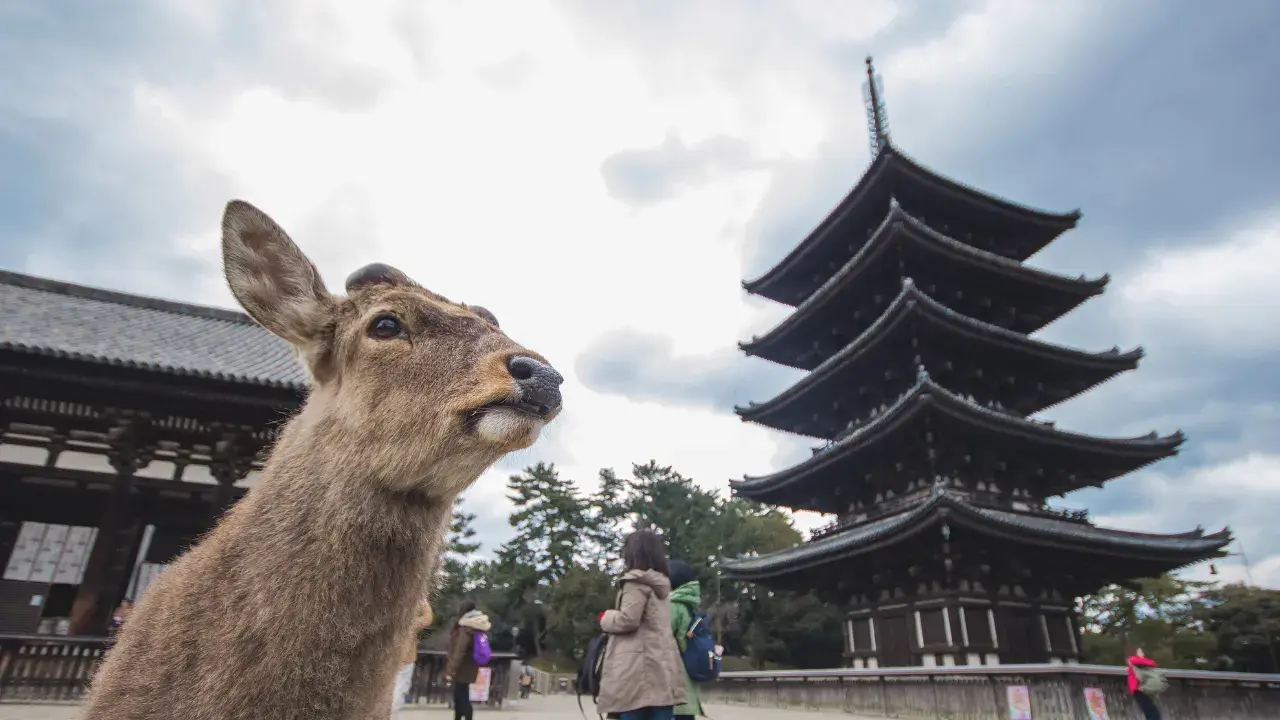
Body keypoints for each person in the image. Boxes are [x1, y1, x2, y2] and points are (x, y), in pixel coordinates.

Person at [596, 530, 686, 720]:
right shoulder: (662, 586)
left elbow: (628, 620)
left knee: (632, 711)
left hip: (635, 671)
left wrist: (606, 617)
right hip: (661, 669)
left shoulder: (635, 583)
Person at [667, 559, 703, 720]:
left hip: (673, 683)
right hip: (687, 682)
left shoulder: (673, 605)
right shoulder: (689, 605)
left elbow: (661, 637)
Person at [444, 600, 491, 720]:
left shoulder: (466, 628)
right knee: (460, 695)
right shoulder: (477, 627)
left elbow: (459, 651)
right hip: (471, 666)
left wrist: (450, 670)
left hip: (461, 667)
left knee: (461, 696)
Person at [391, 599, 433, 717]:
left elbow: (427, 619)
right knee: (393, 698)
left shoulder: (416, 598)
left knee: (395, 698)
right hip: (391, 659)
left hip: (403, 659)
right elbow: (426, 618)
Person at [1126, 647, 1162, 720]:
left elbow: (1151, 664)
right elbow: (1147, 662)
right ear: (1135, 653)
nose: (1142, 653)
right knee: (1153, 712)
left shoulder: (1139, 664)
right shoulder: (1132, 660)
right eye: (1140, 652)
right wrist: (1151, 663)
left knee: (1151, 711)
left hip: (1143, 690)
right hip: (1137, 690)